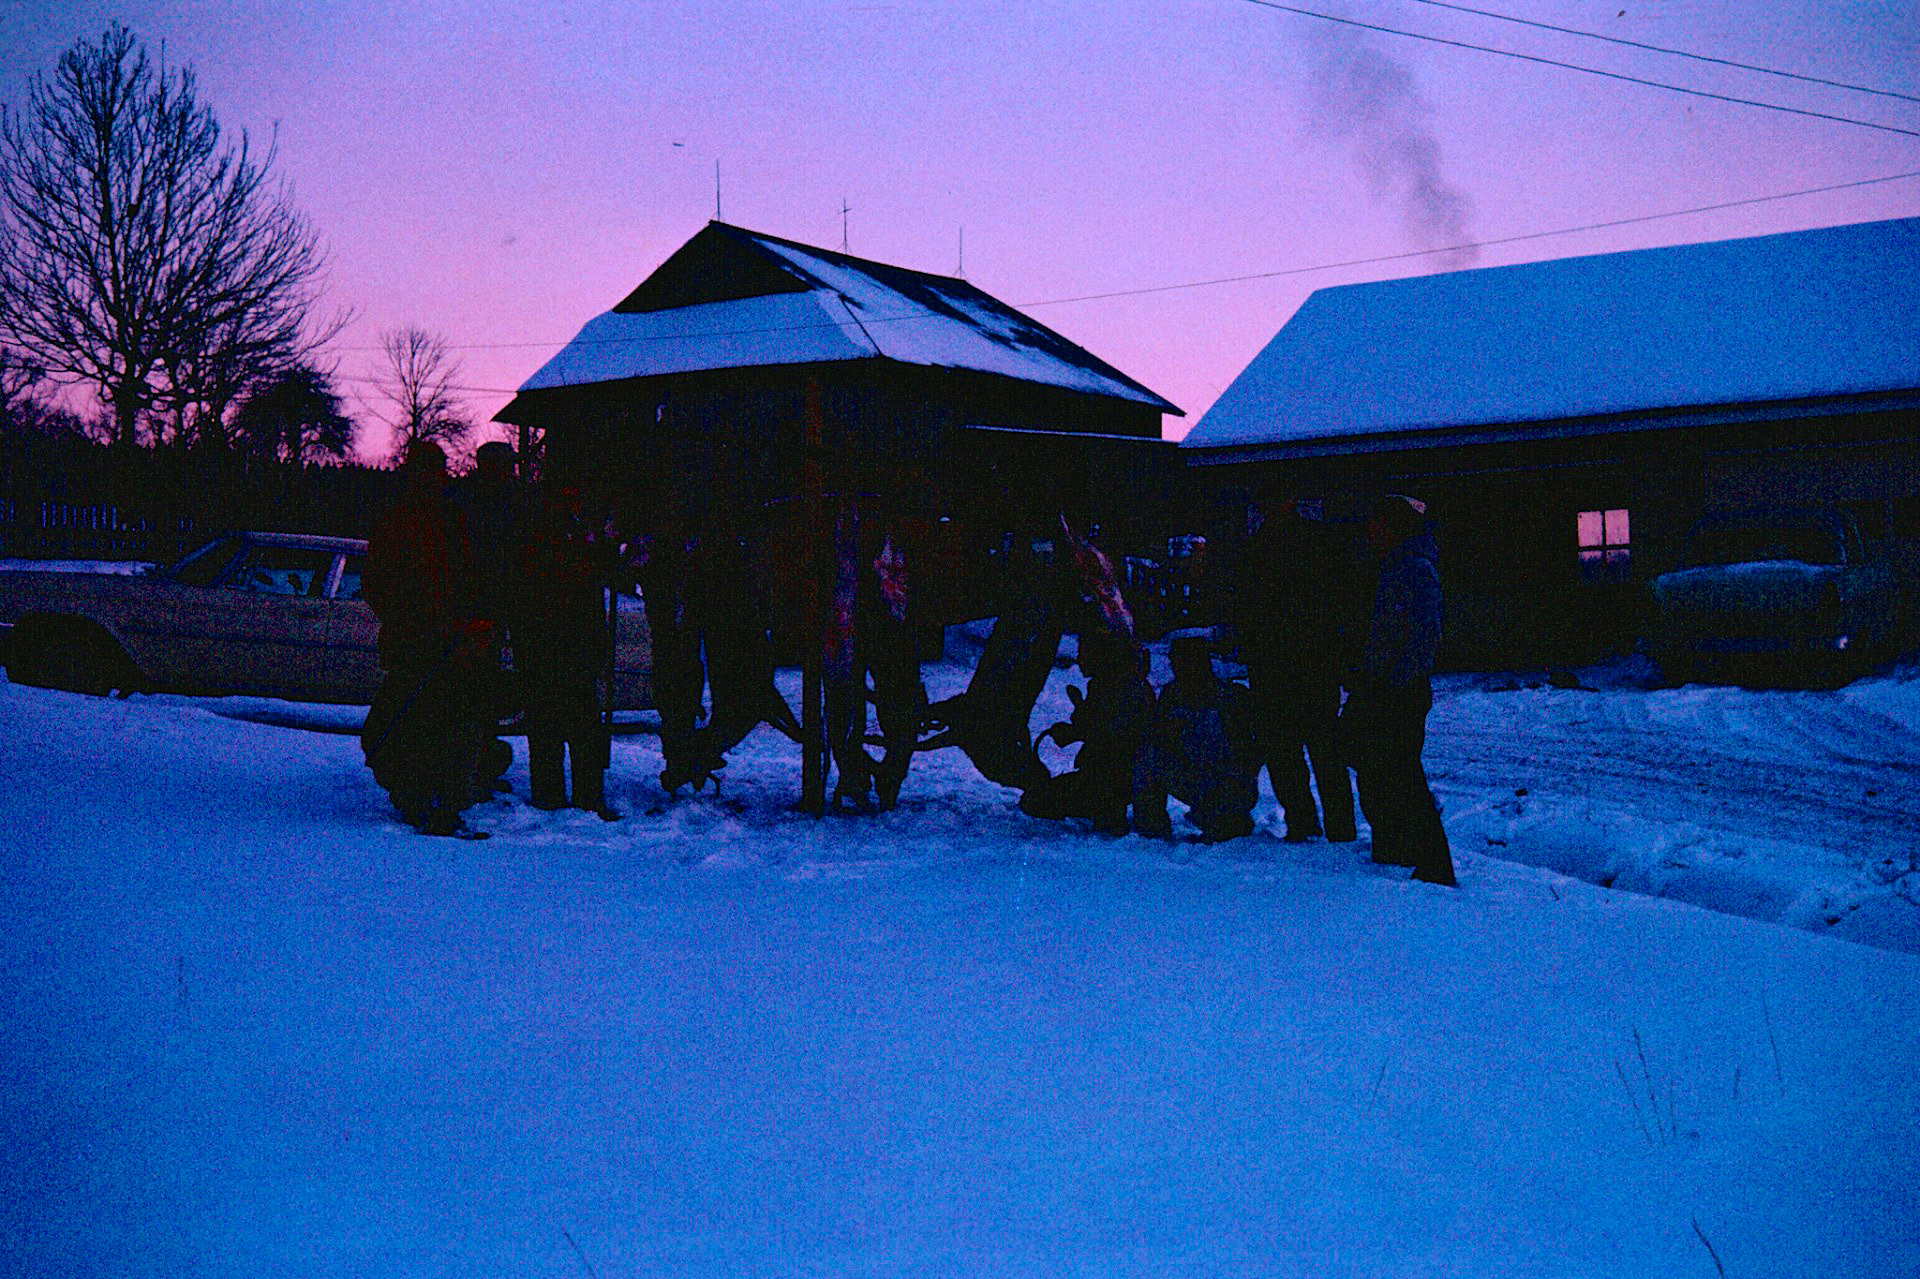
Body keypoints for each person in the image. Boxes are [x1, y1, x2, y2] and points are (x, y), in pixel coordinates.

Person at [359, 441, 493, 838]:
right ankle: (417, 794)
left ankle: (438, 799)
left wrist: (463, 620)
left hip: (443, 641)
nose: (436, 478)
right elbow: (378, 582)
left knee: (440, 724)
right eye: (430, 470)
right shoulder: (402, 518)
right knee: (408, 721)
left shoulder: (448, 516)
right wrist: (410, 618)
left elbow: (467, 574)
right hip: (416, 640)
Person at [1343, 494, 1457, 886]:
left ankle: (1434, 862)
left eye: (1378, 524)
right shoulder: (1390, 567)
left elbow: (1423, 638)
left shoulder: (1415, 570)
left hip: (1399, 691)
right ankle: (1393, 847)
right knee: (1379, 772)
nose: (1371, 532)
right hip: (1381, 688)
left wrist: (1391, 683)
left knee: (1404, 775)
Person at [1237, 500, 1358, 843]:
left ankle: (1306, 822)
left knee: (1290, 751)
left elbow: (1247, 608)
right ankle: (1334, 826)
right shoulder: (1316, 544)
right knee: (1319, 751)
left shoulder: (1259, 550)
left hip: (1280, 665)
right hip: (1309, 664)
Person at [517, 480, 622, 820]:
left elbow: (595, 583)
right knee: (553, 724)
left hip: (574, 642)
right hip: (551, 641)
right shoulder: (544, 535)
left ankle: (585, 795)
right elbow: (566, 583)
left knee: (581, 726)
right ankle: (552, 795)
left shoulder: (578, 534)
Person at [1020, 631, 1156, 835]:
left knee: (1038, 801)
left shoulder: (1120, 687)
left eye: (1084, 653)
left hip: (1116, 776)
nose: (1080, 660)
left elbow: (1113, 736)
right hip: (1113, 774)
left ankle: (1106, 810)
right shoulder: (1111, 684)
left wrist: (1077, 729)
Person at [454, 439, 529, 790]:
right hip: (476, 608)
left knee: (483, 689)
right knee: (471, 690)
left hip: (498, 604)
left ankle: (478, 762)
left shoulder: (511, 500)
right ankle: (468, 767)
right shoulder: (472, 501)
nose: (509, 472)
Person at [1139, 631, 1260, 842]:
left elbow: (1256, 747)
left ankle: (1227, 819)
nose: (1178, 668)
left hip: (1229, 779)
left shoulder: (1232, 697)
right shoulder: (1172, 695)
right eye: (1175, 662)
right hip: (1192, 772)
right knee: (1147, 757)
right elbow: (1156, 739)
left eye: (1185, 662)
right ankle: (1152, 829)